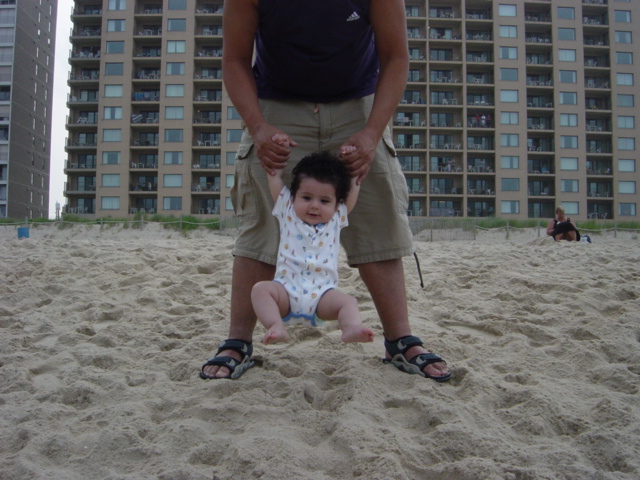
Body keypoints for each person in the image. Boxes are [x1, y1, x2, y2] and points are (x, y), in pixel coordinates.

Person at [200, 0, 451, 382]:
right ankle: (237, 341)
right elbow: (234, 60)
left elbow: (396, 57)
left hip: (359, 108)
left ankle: (400, 340)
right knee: (262, 228)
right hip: (276, 108)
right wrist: (257, 127)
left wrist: (372, 133)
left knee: (378, 221)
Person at [251, 145, 375, 345]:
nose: (314, 205)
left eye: (324, 201)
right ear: (293, 197)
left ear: (336, 204)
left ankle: (351, 328)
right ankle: (276, 326)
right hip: (285, 292)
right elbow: (274, 178)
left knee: (348, 302)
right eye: (307, 198)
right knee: (260, 289)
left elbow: (353, 187)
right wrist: (277, 159)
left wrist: (353, 172)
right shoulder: (288, 211)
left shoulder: (336, 218)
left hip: (322, 297)